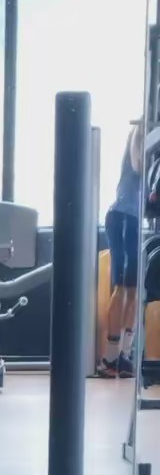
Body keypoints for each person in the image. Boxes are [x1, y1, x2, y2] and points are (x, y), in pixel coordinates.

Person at [98, 123, 143, 378]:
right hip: (123, 217)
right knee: (122, 288)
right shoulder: (139, 132)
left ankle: (124, 355)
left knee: (134, 289)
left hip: (136, 220)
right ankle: (109, 357)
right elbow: (139, 165)